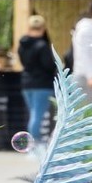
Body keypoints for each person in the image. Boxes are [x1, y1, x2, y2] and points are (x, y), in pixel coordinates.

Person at [16, 14, 57, 147]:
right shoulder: (42, 45)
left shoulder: (22, 45)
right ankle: (34, 144)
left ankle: (32, 142)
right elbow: (49, 65)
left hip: (26, 83)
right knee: (37, 115)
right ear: (43, 28)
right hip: (42, 84)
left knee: (33, 114)